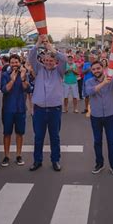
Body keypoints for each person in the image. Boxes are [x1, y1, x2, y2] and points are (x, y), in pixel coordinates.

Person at [28, 34, 67, 172]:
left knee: (54, 137)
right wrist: (38, 43)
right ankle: (37, 161)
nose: (49, 62)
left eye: (51, 60)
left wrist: (51, 47)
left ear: (55, 62)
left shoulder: (59, 71)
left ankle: (55, 160)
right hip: (39, 109)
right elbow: (31, 56)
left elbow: (64, 59)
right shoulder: (39, 69)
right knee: (38, 137)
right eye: (46, 60)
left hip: (54, 110)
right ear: (43, 61)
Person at [85, 60, 113, 175]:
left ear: (103, 68)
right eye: (93, 69)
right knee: (97, 141)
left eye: (98, 68)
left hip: (110, 115)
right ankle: (99, 164)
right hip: (96, 116)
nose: (96, 71)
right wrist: (104, 83)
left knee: (111, 141)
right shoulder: (89, 81)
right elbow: (89, 92)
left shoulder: (111, 79)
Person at [0, 54, 29, 167]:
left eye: (16, 62)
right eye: (12, 63)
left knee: (19, 133)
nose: (14, 65)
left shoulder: (24, 74)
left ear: (20, 63)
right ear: (9, 64)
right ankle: (7, 155)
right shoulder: (5, 75)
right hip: (8, 109)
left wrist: (22, 78)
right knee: (7, 133)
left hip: (20, 108)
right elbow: (4, 90)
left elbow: (28, 88)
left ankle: (18, 154)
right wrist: (12, 80)